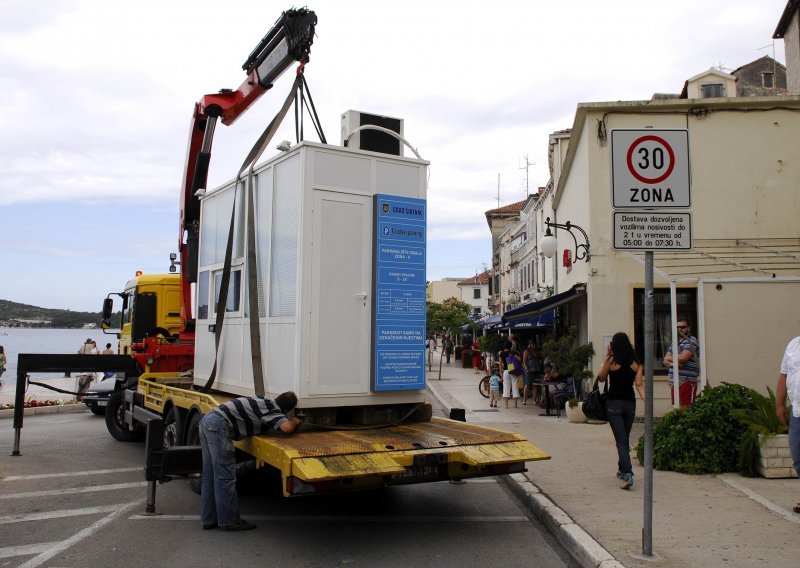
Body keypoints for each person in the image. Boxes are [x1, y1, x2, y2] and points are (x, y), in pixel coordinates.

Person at [200, 391, 303, 531]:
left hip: (208, 420)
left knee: (210, 475)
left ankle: (209, 520)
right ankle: (230, 521)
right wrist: (295, 421)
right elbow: (286, 428)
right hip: (219, 425)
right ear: (286, 410)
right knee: (225, 476)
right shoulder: (271, 408)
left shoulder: (261, 401)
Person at [597, 333, 645, 490]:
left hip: (614, 404)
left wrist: (606, 358)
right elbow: (639, 385)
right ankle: (621, 468)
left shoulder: (611, 360)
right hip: (630, 404)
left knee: (621, 441)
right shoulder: (636, 363)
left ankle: (628, 473)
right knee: (624, 437)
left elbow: (601, 378)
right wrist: (648, 401)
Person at [776, 336, 800, 514]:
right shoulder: (794, 344)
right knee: (798, 456)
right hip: (797, 411)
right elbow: (784, 375)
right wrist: (779, 404)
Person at [662, 318, 700, 407]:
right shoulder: (675, 342)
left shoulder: (691, 341)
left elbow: (683, 357)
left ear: (688, 328)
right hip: (674, 381)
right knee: (676, 407)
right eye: (677, 327)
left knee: (685, 408)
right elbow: (664, 360)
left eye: (682, 327)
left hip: (686, 380)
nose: (679, 329)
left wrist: (670, 359)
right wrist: (675, 364)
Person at [522, 341, 543, 406]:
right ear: (530, 344)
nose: (534, 345)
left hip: (536, 369)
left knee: (535, 385)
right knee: (527, 384)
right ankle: (524, 400)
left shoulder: (537, 351)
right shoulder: (527, 351)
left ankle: (534, 400)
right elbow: (524, 360)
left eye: (534, 344)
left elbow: (541, 358)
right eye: (532, 344)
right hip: (529, 369)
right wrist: (526, 368)